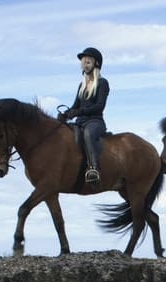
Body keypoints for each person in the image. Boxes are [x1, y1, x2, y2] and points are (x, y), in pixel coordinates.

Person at [57, 47, 109, 184]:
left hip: (95, 122)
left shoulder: (102, 83)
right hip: (80, 121)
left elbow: (99, 106)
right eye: (83, 63)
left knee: (88, 134)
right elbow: (75, 106)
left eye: (88, 62)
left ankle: (93, 168)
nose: (84, 65)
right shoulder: (82, 85)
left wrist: (80, 112)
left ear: (95, 64)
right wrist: (66, 115)